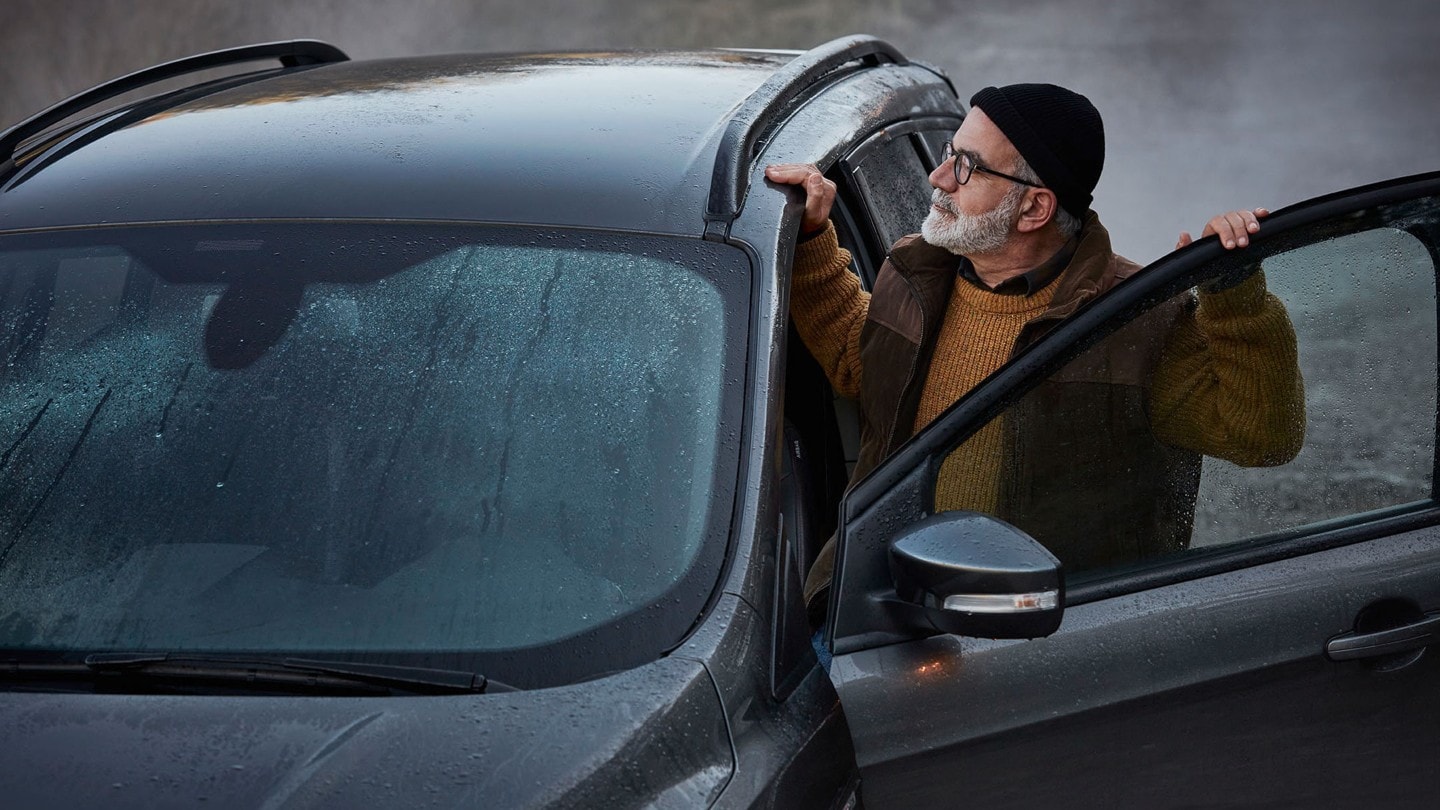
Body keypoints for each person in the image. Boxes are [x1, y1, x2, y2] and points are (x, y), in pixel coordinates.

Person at [765, 83, 1305, 619]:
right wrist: (812, 236)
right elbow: (860, 362)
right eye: (947, 154)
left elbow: (1260, 436)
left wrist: (1233, 292)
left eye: (965, 167)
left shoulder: (1140, 317)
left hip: (1044, 637)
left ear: (1033, 208)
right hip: (882, 610)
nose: (937, 177)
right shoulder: (915, 270)